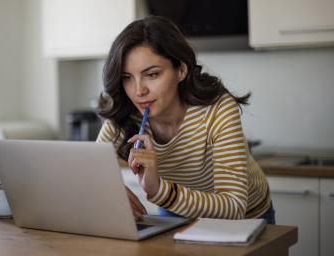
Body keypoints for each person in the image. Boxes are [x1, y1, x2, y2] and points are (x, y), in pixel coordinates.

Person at [96, 16, 275, 224]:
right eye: (127, 78)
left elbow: (233, 205)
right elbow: (90, 171)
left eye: (152, 74)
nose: (138, 91)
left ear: (181, 70)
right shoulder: (125, 114)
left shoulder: (217, 109)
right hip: (176, 210)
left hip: (246, 217)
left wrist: (158, 190)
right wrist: (108, 188)